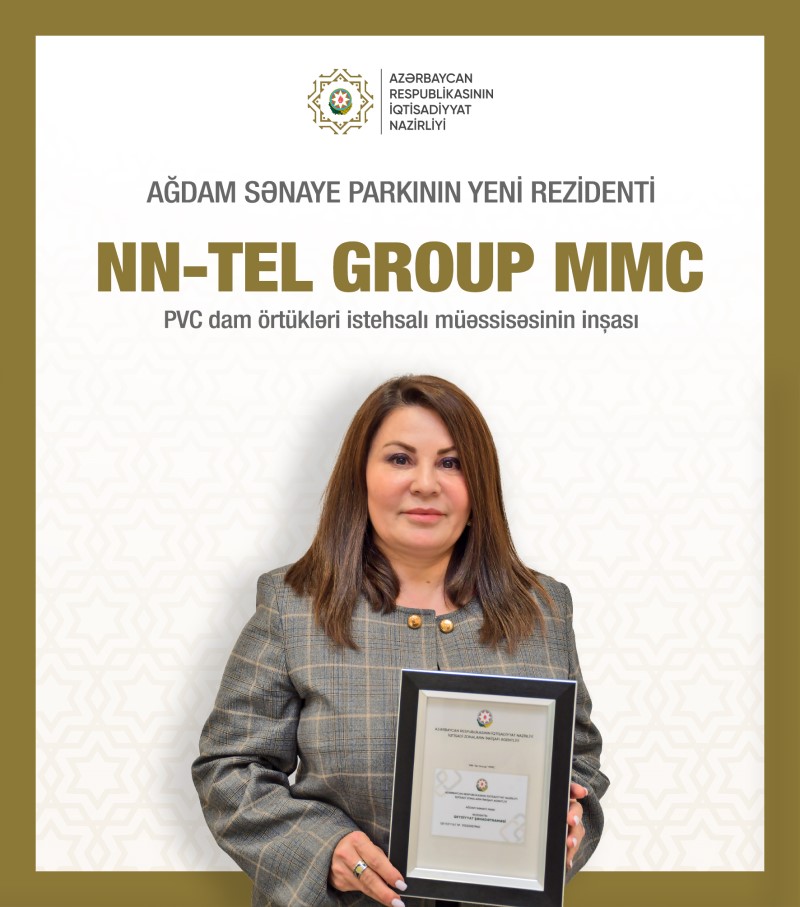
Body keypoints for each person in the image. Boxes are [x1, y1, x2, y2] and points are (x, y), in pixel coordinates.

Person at [193, 374, 608, 907]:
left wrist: (571, 821)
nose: (426, 484)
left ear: (480, 484)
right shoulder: (293, 605)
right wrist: (324, 849)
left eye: (451, 463)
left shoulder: (543, 607)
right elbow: (229, 769)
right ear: (361, 476)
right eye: (400, 459)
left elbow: (578, 760)